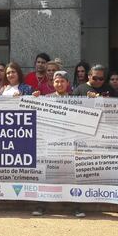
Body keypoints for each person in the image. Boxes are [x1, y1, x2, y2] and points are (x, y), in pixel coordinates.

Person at [30, 70, 86, 218]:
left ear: (67, 83)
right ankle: (40, 205)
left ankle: (76, 207)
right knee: (47, 175)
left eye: (62, 81)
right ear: (52, 83)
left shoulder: (75, 100)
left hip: (69, 144)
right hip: (51, 144)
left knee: (71, 176)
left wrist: (93, 99)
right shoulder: (45, 99)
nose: (59, 84)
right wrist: (33, 99)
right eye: (57, 81)